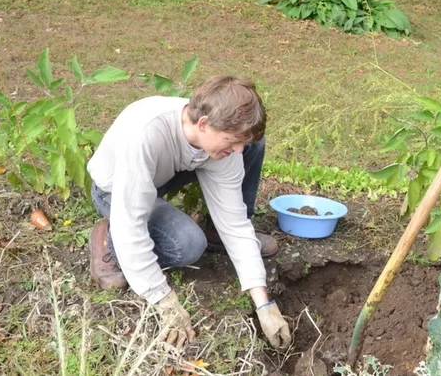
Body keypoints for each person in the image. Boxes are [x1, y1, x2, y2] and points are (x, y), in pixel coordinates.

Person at [87, 75, 292, 350]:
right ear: (204, 124)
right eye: (232, 141)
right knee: (187, 245)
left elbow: (234, 223)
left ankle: (207, 230)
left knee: (254, 145)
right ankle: (107, 235)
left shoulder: (216, 140)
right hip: (114, 189)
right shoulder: (145, 134)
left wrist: (264, 304)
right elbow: (131, 224)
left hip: (159, 177)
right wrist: (163, 299)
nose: (239, 150)